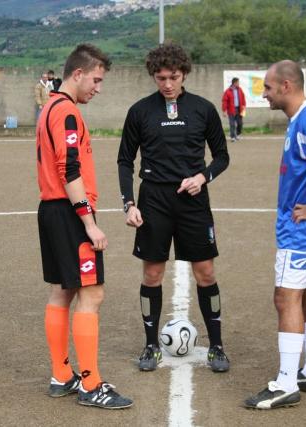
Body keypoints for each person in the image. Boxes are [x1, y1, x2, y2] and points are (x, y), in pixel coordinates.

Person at [117, 44, 230, 373]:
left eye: (174, 77)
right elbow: (126, 160)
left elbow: (222, 156)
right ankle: (151, 345)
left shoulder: (203, 109)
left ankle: (218, 345)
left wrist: (203, 177)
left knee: (205, 272)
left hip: (193, 201)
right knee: (152, 274)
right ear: (153, 76)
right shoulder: (140, 111)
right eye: (160, 77)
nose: (167, 84)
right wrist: (129, 203)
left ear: (184, 75)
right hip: (153, 200)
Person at [36, 44, 132, 409]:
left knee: (62, 291)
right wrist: (89, 223)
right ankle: (91, 385)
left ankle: (61, 376)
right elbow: (69, 170)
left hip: (50, 210)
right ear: (77, 74)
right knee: (91, 295)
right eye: (96, 79)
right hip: (70, 213)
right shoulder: (68, 113)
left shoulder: (49, 107)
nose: (98, 87)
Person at [244, 60, 306, 410]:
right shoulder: (298, 119)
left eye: (268, 88)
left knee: (286, 298)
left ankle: (286, 382)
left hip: (304, 229)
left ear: (286, 86)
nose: (265, 94)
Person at [222, 77, 246, 143]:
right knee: (232, 124)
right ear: (234, 83)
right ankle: (232, 137)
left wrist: (243, 108)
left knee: (240, 123)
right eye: (238, 82)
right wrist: (224, 111)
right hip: (231, 110)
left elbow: (243, 99)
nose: (239, 83)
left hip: (239, 109)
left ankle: (237, 134)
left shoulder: (240, 90)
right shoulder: (228, 91)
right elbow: (224, 101)